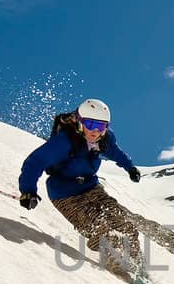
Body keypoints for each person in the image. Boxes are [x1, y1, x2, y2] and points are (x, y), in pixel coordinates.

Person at [19, 98, 143, 268]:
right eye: (90, 124)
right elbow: (35, 162)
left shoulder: (105, 139)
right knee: (102, 230)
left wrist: (130, 167)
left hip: (92, 188)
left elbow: (115, 152)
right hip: (66, 194)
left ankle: (137, 266)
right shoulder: (64, 141)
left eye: (101, 126)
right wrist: (28, 191)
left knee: (126, 227)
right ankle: (118, 265)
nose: (95, 131)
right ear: (79, 121)